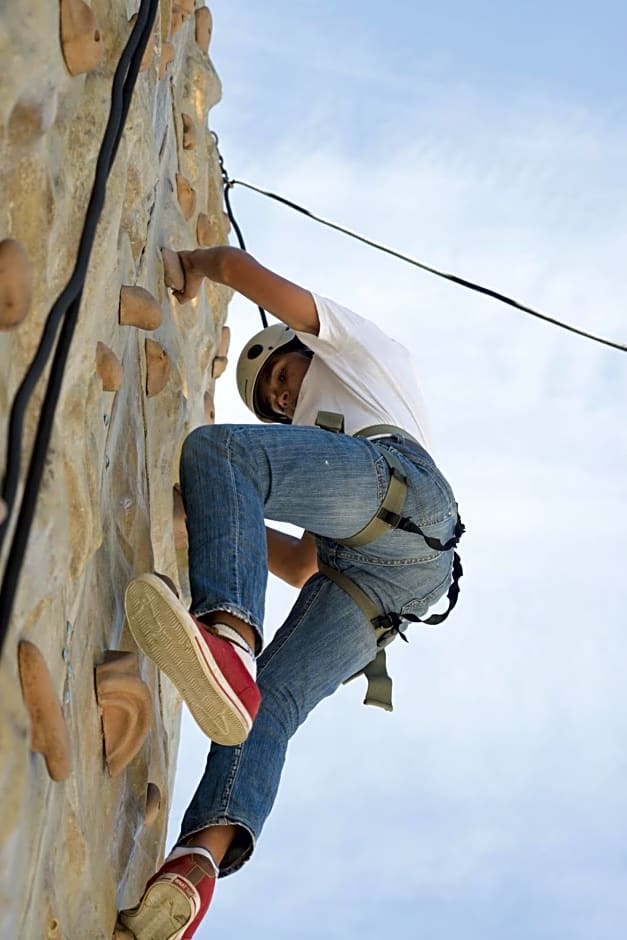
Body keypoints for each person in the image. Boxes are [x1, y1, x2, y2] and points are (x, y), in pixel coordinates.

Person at [118, 246, 463, 939]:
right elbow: (304, 564)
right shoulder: (320, 454)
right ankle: (196, 864)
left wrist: (198, 262)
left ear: (306, 351)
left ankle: (228, 642)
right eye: (271, 399)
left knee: (221, 450)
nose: (279, 395)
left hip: (406, 494)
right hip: (380, 576)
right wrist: (205, 516)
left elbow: (260, 281)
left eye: (280, 372)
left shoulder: (362, 359)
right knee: (265, 707)